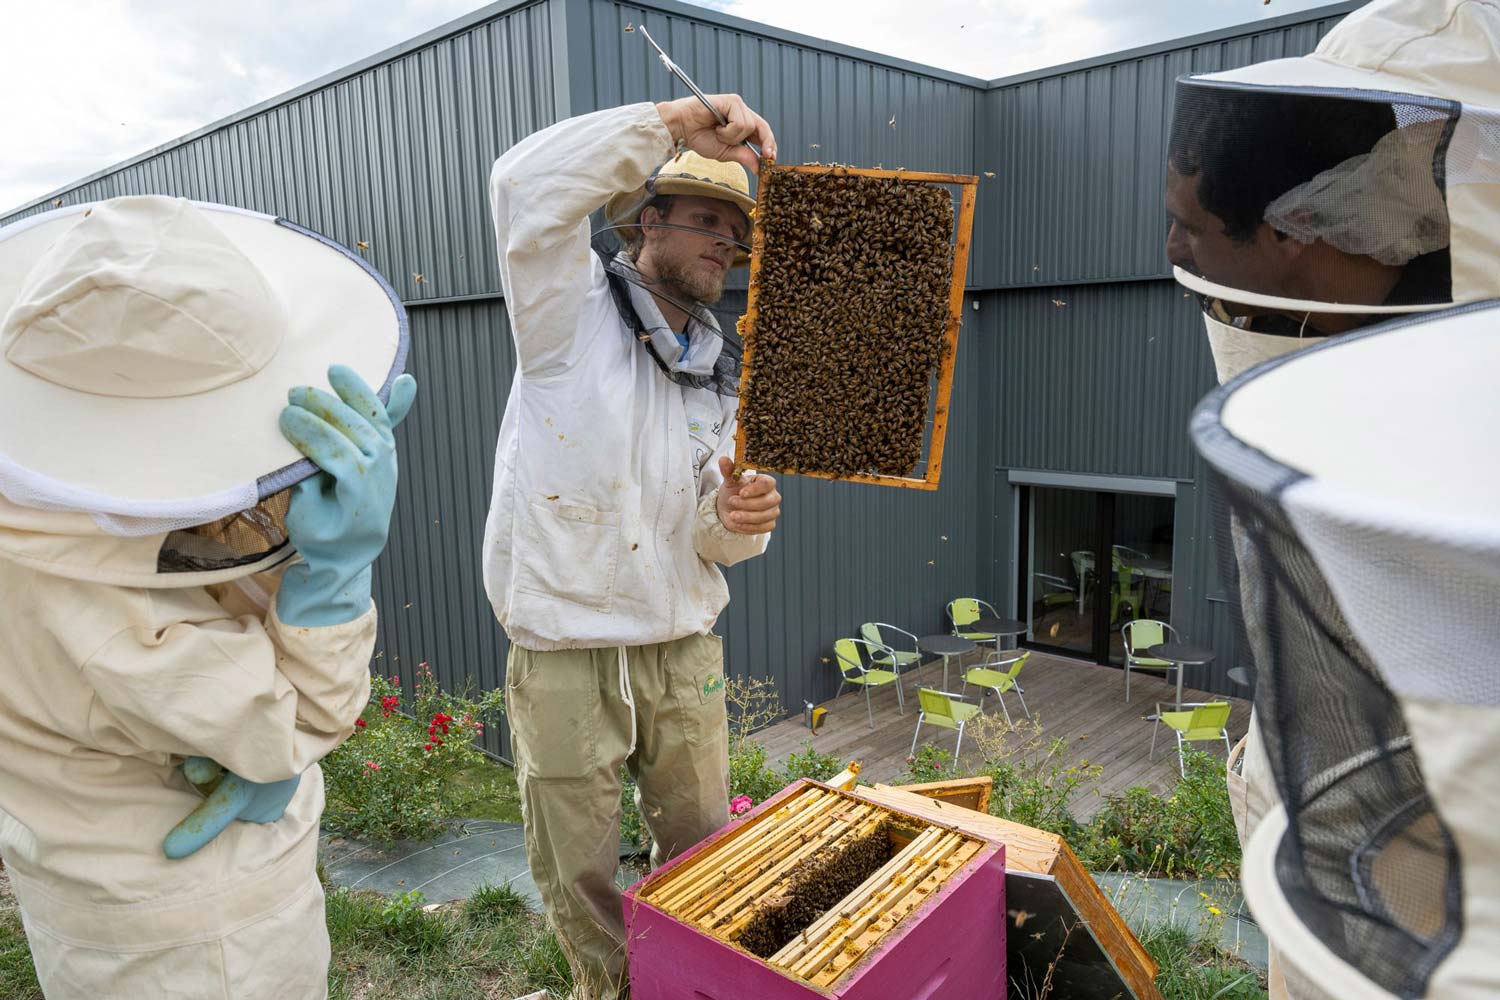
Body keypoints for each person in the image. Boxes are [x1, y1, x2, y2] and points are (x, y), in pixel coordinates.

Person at [1164, 0, 1500, 995]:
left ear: (1300, 232)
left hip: (1409, 843)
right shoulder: (1375, 69)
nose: (1189, 265)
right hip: (1342, 805)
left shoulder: (1402, 69)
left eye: (1191, 231)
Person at [0, 195, 414, 999]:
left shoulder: (41, 518)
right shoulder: (98, 617)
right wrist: (336, 575)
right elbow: (298, 719)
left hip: (93, 891)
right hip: (197, 935)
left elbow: (167, 543)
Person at [483, 94, 782, 997]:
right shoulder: (565, 313)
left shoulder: (719, 375)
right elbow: (522, 186)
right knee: (577, 863)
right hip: (565, 645)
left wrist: (734, 521)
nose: (721, 244)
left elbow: (704, 535)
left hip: (680, 644)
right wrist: (671, 122)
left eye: (733, 232)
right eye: (702, 220)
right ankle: (608, 990)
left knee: (700, 848)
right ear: (648, 220)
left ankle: (688, 984)